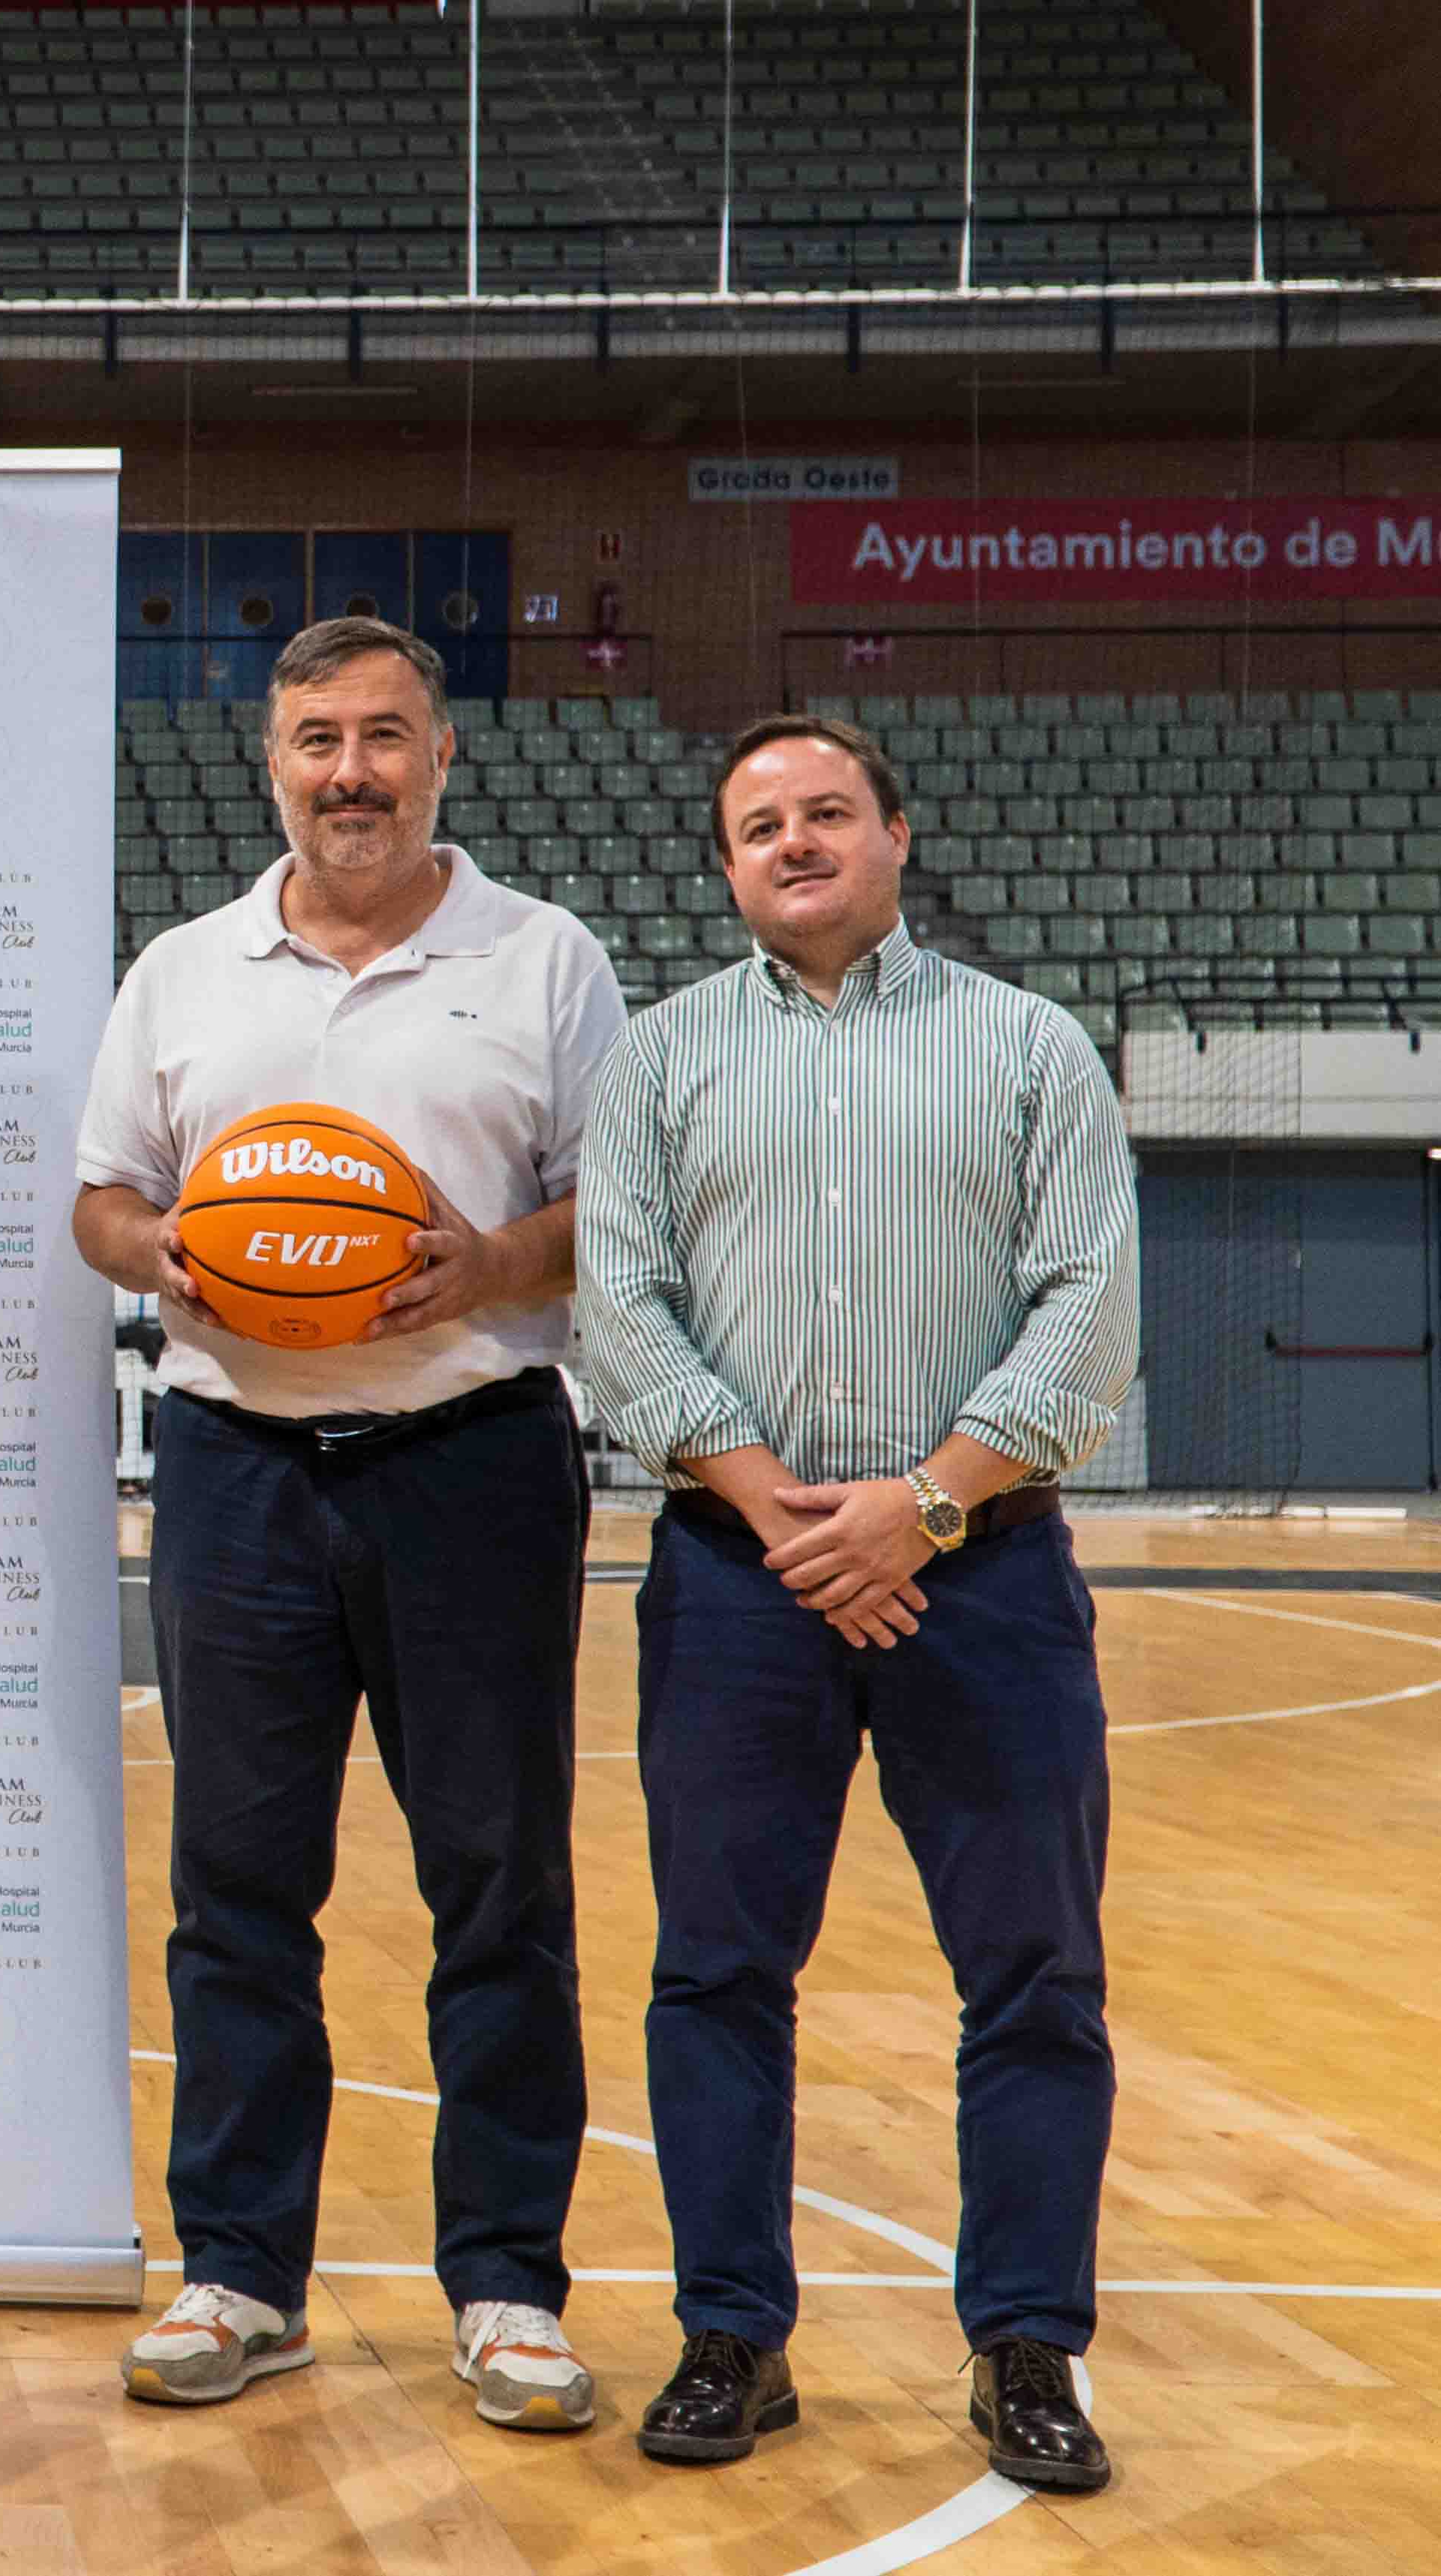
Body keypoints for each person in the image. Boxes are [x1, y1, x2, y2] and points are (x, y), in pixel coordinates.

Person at [71, 617, 627, 2433]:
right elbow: (103, 1199)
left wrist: (487, 1259)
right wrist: (169, 1256)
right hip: (236, 1471)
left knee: (498, 1883)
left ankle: (507, 2287)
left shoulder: (541, 959)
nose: (352, 771)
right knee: (237, 1891)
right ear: (273, 763)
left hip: (471, 1457)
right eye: (318, 737)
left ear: (443, 755)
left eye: (385, 735)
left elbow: (607, 1205)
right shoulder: (182, 969)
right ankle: (239, 2274)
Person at [577, 713, 1136, 2492]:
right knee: (717, 1971)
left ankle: (1027, 2348)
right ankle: (730, 2332)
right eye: (759, 823)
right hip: (739, 1578)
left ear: (896, 832)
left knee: (1033, 1978)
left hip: (982, 1571)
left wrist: (920, 1503)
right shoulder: (659, 1062)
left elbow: (1086, 1305)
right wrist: (782, 1510)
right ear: (724, 862)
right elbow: (621, 1306)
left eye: (827, 811)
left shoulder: (1029, 1049)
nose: (794, 841)